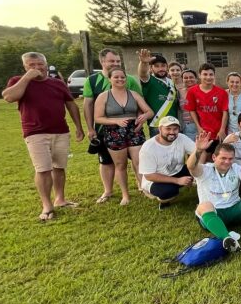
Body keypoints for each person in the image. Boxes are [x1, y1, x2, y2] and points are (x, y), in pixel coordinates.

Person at [3, 51, 84, 221]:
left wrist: (78, 127)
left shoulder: (57, 83)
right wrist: (27, 78)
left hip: (60, 130)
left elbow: (71, 105)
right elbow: (9, 97)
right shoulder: (18, 81)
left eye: (40, 64)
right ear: (25, 67)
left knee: (59, 167)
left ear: (46, 65)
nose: (37, 68)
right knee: (43, 169)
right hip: (35, 132)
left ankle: (60, 199)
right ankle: (47, 205)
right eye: (31, 65)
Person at [188, 134, 241, 250]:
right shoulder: (205, 169)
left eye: (230, 159)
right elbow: (191, 166)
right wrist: (198, 150)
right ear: (214, 157)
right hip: (214, 213)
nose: (227, 162)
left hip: (234, 210)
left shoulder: (237, 168)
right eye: (223, 158)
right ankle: (227, 240)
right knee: (204, 206)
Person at [83, 48, 143, 204]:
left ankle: (141, 186)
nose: (115, 64)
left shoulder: (129, 79)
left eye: (118, 61)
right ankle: (108, 190)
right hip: (105, 129)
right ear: (102, 62)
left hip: (132, 129)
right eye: (112, 61)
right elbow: (88, 105)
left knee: (137, 159)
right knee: (106, 161)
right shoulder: (92, 80)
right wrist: (90, 128)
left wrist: (139, 121)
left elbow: (139, 103)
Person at [93, 67, 154, 205]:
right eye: (116, 77)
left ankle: (144, 188)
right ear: (110, 79)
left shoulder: (133, 94)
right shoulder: (104, 96)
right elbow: (97, 118)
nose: (120, 79)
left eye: (123, 77)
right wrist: (115, 121)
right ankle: (125, 194)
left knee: (138, 162)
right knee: (120, 165)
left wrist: (143, 117)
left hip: (134, 130)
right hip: (114, 132)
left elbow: (149, 111)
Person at [139, 115, 196, 208]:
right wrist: (177, 181)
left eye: (175, 129)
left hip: (178, 170)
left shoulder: (181, 137)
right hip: (155, 179)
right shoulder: (148, 148)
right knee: (169, 191)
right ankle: (163, 200)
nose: (172, 132)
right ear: (160, 129)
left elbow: (196, 152)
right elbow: (149, 175)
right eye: (168, 129)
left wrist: (200, 150)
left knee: (199, 169)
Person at [185, 63, 229, 157]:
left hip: (218, 133)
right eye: (205, 74)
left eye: (211, 74)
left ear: (214, 75)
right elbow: (191, 110)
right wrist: (198, 127)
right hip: (203, 132)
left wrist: (222, 130)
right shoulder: (192, 91)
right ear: (200, 75)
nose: (208, 77)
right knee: (201, 159)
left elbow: (225, 112)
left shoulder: (222, 92)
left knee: (218, 158)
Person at [136, 49, 178, 136]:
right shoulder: (149, 80)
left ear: (167, 67)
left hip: (173, 124)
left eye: (163, 66)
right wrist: (144, 63)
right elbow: (143, 74)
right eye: (157, 66)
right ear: (151, 68)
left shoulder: (171, 82)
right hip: (157, 126)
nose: (161, 69)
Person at [178, 69, 198, 139]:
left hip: (201, 125)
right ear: (182, 79)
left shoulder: (201, 90)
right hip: (186, 126)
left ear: (196, 79)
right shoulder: (179, 92)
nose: (188, 79)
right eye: (185, 78)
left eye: (191, 77)